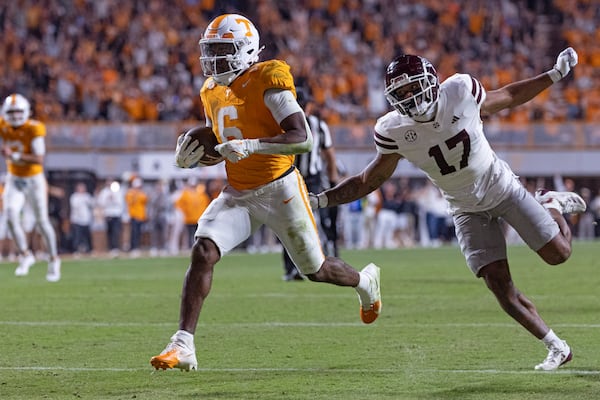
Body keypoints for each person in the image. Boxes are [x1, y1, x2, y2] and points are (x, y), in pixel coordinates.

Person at [310, 48, 586, 371]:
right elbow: (367, 180)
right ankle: (556, 347)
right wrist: (320, 200)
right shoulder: (393, 129)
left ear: (430, 80)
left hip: (501, 187)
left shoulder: (459, 91)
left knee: (559, 254)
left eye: (413, 87)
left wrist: (553, 74)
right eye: (401, 93)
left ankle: (550, 202)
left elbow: (508, 96)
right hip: (465, 209)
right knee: (500, 286)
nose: (409, 97)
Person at [150, 13, 381, 371]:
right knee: (203, 250)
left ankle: (365, 281)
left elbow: (302, 138)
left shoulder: (267, 79)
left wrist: (253, 145)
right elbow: (222, 140)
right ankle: (183, 344)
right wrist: (193, 155)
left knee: (315, 269)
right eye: (210, 51)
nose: (214, 59)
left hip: (280, 189)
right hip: (238, 192)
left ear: (246, 51)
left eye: (223, 50)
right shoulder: (211, 89)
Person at [0, 93, 61, 282]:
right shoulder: (3, 125)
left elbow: (39, 159)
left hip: (34, 179)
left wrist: (15, 156)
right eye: (12, 112)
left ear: (26, 112)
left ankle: (53, 260)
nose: (16, 115)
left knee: (42, 222)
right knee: (10, 214)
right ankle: (26, 255)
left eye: (19, 111)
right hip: (15, 177)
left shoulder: (34, 128)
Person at [282, 87, 340, 281]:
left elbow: (329, 155)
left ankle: (331, 259)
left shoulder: (318, 126)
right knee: (289, 221)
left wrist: (333, 180)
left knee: (323, 220)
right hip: (289, 178)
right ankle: (291, 268)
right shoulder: (282, 126)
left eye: (303, 105)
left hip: (313, 179)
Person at [124, 177, 148, 258]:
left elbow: (145, 200)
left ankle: (137, 247)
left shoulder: (141, 193)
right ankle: (133, 247)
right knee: (134, 233)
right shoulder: (130, 193)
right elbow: (129, 201)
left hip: (141, 216)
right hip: (133, 215)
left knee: (138, 233)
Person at [69, 181, 94, 255]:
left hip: (86, 220)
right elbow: (75, 206)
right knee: (77, 236)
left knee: (87, 236)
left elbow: (92, 204)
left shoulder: (87, 196)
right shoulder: (74, 196)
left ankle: (89, 250)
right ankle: (76, 250)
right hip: (77, 220)